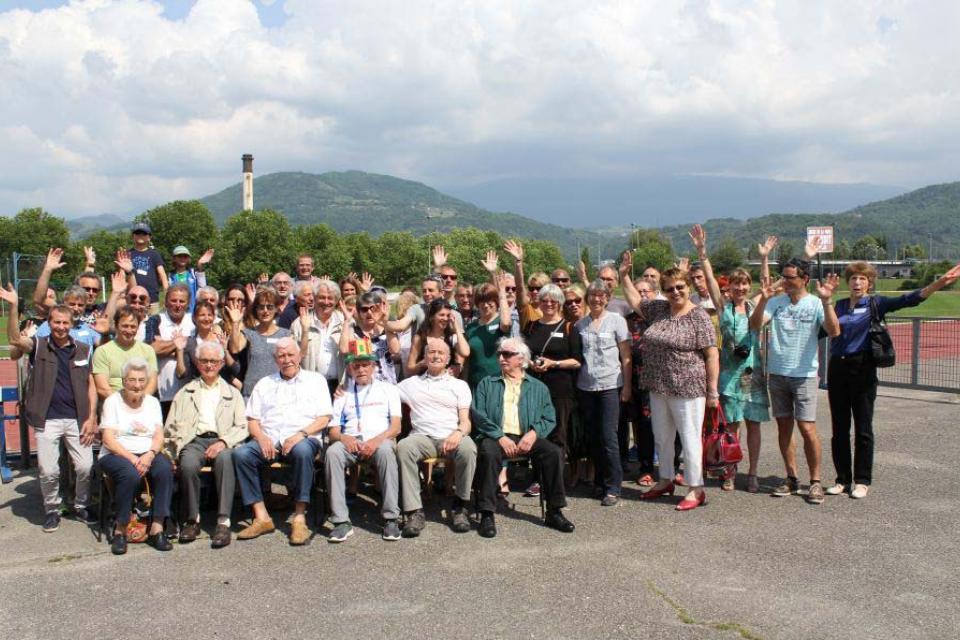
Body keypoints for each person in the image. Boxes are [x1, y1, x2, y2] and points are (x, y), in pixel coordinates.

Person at [827, 260, 960, 499]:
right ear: (848, 282)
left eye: (862, 279)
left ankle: (861, 480)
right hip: (838, 367)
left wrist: (940, 282)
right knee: (839, 428)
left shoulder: (876, 303)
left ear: (869, 282)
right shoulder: (839, 305)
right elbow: (825, 329)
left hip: (863, 367)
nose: (857, 282)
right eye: (854, 278)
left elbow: (911, 298)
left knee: (863, 427)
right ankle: (842, 479)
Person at [621, 251, 719, 511]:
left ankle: (696, 488)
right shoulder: (659, 309)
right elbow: (635, 302)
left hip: (688, 387)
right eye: (669, 289)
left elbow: (711, 355)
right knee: (662, 437)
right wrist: (623, 276)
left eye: (680, 287)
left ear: (688, 287)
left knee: (689, 438)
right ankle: (665, 479)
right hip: (658, 385)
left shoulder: (699, 316)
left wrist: (713, 392)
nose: (675, 292)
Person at [688, 228, 776, 492]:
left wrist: (764, 258)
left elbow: (766, 286)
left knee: (753, 423)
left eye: (744, 284)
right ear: (731, 287)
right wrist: (702, 252)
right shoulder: (723, 306)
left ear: (749, 287)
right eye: (736, 284)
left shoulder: (755, 305)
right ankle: (730, 470)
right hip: (729, 372)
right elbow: (711, 279)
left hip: (750, 373)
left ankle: (753, 473)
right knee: (732, 424)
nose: (740, 288)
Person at [1, 293, 98, 533]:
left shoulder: (84, 349)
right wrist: (14, 306)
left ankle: (81, 505)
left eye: (65, 323)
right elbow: (14, 338)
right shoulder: (38, 346)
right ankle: (52, 509)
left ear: (72, 324)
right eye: (56, 322)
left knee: (85, 467)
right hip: (48, 419)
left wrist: (92, 416)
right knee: (48, 469)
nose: (61, 327)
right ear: (50, 323)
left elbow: (91, 384)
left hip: (77, 418)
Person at [750, 258, 841, 505]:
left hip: (804, 375)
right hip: (778, 373)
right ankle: (791, 477)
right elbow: (754, 325)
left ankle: (815, 481)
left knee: (807, 428)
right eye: (784, 276)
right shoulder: (776, 302)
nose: (785, 281)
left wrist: (827, 300)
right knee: (784, 427)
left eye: (790, 277)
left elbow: (834, 331)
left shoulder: (815, 303)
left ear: (804, 280)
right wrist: (764, 299)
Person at [472, 337, 575, 538]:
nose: (501, 358)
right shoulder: (487, 383)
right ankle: (486, 513)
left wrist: (534, 433)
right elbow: (479, 414)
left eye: (507, 354)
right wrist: (500, 436)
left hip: (526, 436)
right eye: (500, 354)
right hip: (496, 436)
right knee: (488, 452)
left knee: (553, 452)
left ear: (521, 359)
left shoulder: (538, 387)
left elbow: (548, 417)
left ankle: (554, 511)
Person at [233, 338, 332, 545]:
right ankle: (262, 517)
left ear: (299, 356)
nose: (286, 360)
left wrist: (301, 434)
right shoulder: (265, 383)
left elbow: (324, 418)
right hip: (269, 439)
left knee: (303, 452)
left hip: (303, 437)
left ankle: (299, 517)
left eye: (290, 355)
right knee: (241, 455)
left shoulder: (316, 380)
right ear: (275, 359)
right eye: (281, 356)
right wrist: (260, 437)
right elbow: (252, 420)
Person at [164, 341, 248, 548]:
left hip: (223, 440)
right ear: (197, 363)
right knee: (188, 464)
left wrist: (223, 442)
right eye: (204, 361)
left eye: (213, 361)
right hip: (194, 440)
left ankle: (223, 522)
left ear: (221, 364)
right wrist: (171, 454)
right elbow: (170, 428)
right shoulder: (185, 393)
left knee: (226, 459)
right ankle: (192, 520)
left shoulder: (232, 393)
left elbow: (243, 426)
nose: (209, 365)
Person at [324, 338, 403, 542]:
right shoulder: (342, 393)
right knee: (332, 453)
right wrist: (344, 437)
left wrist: (376, 441)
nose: (361, 370)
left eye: (365, 364)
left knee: (386, 452)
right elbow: (333, 430)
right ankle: (341, 522)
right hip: (351, 441)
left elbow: (396, 427)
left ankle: (391, 518)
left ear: (374, 366)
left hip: (379, 440)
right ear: (350, 368)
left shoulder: (389, 390)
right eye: (356, 365)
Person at [396, 339, 477, 537]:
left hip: (451, 435)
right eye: (432, 352)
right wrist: (344, 388)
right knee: (404, 447)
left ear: (448, 359)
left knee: (468, 449)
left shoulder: (459, 385)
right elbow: (381, 392)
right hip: (422, 438)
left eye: (441, 353)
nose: (436, 356)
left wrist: (458, 433)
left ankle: (460, 506)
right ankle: (414, 511)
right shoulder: (409, 384)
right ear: (425, 357)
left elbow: (466, 422)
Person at [99, 357, 175, 555]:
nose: (137, 385)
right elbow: (108, 439)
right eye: (132, 380)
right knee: (129, 475)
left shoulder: (152, 403)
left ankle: (157, 527)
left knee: (165, 469)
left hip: (146, 451)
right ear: (124, 381)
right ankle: (121, 529)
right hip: (117, 453)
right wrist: (133, 459)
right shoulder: (112, 402)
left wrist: (150, 455)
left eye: (142, 380)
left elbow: (159, 435)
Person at [576, 279, 631, 506]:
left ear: (608, 298)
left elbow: (626, 356)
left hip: (610, 385)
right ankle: (599, 481)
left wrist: (627, 386)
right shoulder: (581, 325)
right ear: (587, 298)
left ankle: (613, 486)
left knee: (610, 437)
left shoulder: (617, 321)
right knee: (593, 437)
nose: (596, 299)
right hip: (586, 387)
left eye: (601, 296)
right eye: (592, 295)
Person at [523, 283, 583, 483]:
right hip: (534, 386)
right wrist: (531, 363)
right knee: (535, 432)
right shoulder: (531, 326)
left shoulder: (569, 327)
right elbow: (523, 354)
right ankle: (538, 478)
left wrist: (553, 363)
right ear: (538, 302)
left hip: (560, 389)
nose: (548, 304)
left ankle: (555, 481)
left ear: (560, 303)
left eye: (553, 301)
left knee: (558, 434)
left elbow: (577, 360)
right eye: (544, 300)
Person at [227, 287, 291, 399]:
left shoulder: (285, 334)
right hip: (252, 393)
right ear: (256, 310)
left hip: (278, 393)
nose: (265, 311)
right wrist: (235, 323)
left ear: (276, 309)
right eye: (261, 307)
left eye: (270, 307)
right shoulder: (249, 332)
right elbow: (234, 349)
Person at [144, 283, 196, 419]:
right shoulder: (155, 320)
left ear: (188, 303)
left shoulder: (194, 321)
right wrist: (182, 342)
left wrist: (166, 346)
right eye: (173, 300)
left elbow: (198, 350)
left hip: (190, 393)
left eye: (181, 301)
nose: (177, 304)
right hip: (162, 393)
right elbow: (152, 349)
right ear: (166, 302)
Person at [465, 251, 513, 388]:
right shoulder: (471, 327)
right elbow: (468, 360)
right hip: (475, 384)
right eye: (482, 301)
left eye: (490, 301)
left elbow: (506, 323)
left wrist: (502, 291)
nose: (486, 305)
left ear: (497, 302)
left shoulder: (501, 322)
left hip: (500, 383)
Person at [291, 280, 345, 395]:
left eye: (330, 298)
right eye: (322, 297)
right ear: (314, 298)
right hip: (310, 387)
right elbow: (294, 358)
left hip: (340, 387)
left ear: (336, 301)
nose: (326, 302)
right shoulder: (298, 324)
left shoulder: (344, 322)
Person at [92, 307, 158, 399]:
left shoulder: (148, 350)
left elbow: (152, 382)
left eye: (133, 326)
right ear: (116, 326)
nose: (129, 331)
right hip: (113, 404)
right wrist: (123, 404)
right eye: (125, 326)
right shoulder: (102, 351)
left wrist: (139, 401)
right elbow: (102, 388)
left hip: (141, 403)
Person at [341, 290, 401, 384]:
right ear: (359, 312)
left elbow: (395, 350)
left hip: (388, 386)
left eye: (373, 308)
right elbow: (344, 350)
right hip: (364, 388)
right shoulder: (354, 331)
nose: (369, 312)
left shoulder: (387, 328)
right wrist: (347, 321)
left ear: (380, 308)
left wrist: (385, 322)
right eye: (364, 309)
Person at [406, 298, 469, 376]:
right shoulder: (420, 338)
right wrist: (421, 364)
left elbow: (465, 352)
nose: (445, 318)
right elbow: (409, 369)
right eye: (441, 315)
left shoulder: (451, 337)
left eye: (448, 315)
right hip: (425, 383)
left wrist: (456, 327)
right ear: (431, 317)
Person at [126, 222, 168, 313]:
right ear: (133, 236)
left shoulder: (154, 254)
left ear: (149, 237)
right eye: (138, 233)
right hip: (133, 300)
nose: (140, 236)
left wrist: (166, 296)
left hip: (152, 300)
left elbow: (163, 276)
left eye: (144, 234)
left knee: (153, 325)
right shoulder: (128, 254)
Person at [167, 245, 213, 312]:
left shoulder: (193, 273)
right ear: (174, 258)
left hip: (192, 312)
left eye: (185, 256)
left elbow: (203, 287)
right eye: (179, 256)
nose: (182, 258)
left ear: (188, 259)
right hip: (176, 312)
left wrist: (200, 265)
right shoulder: (170, 276)